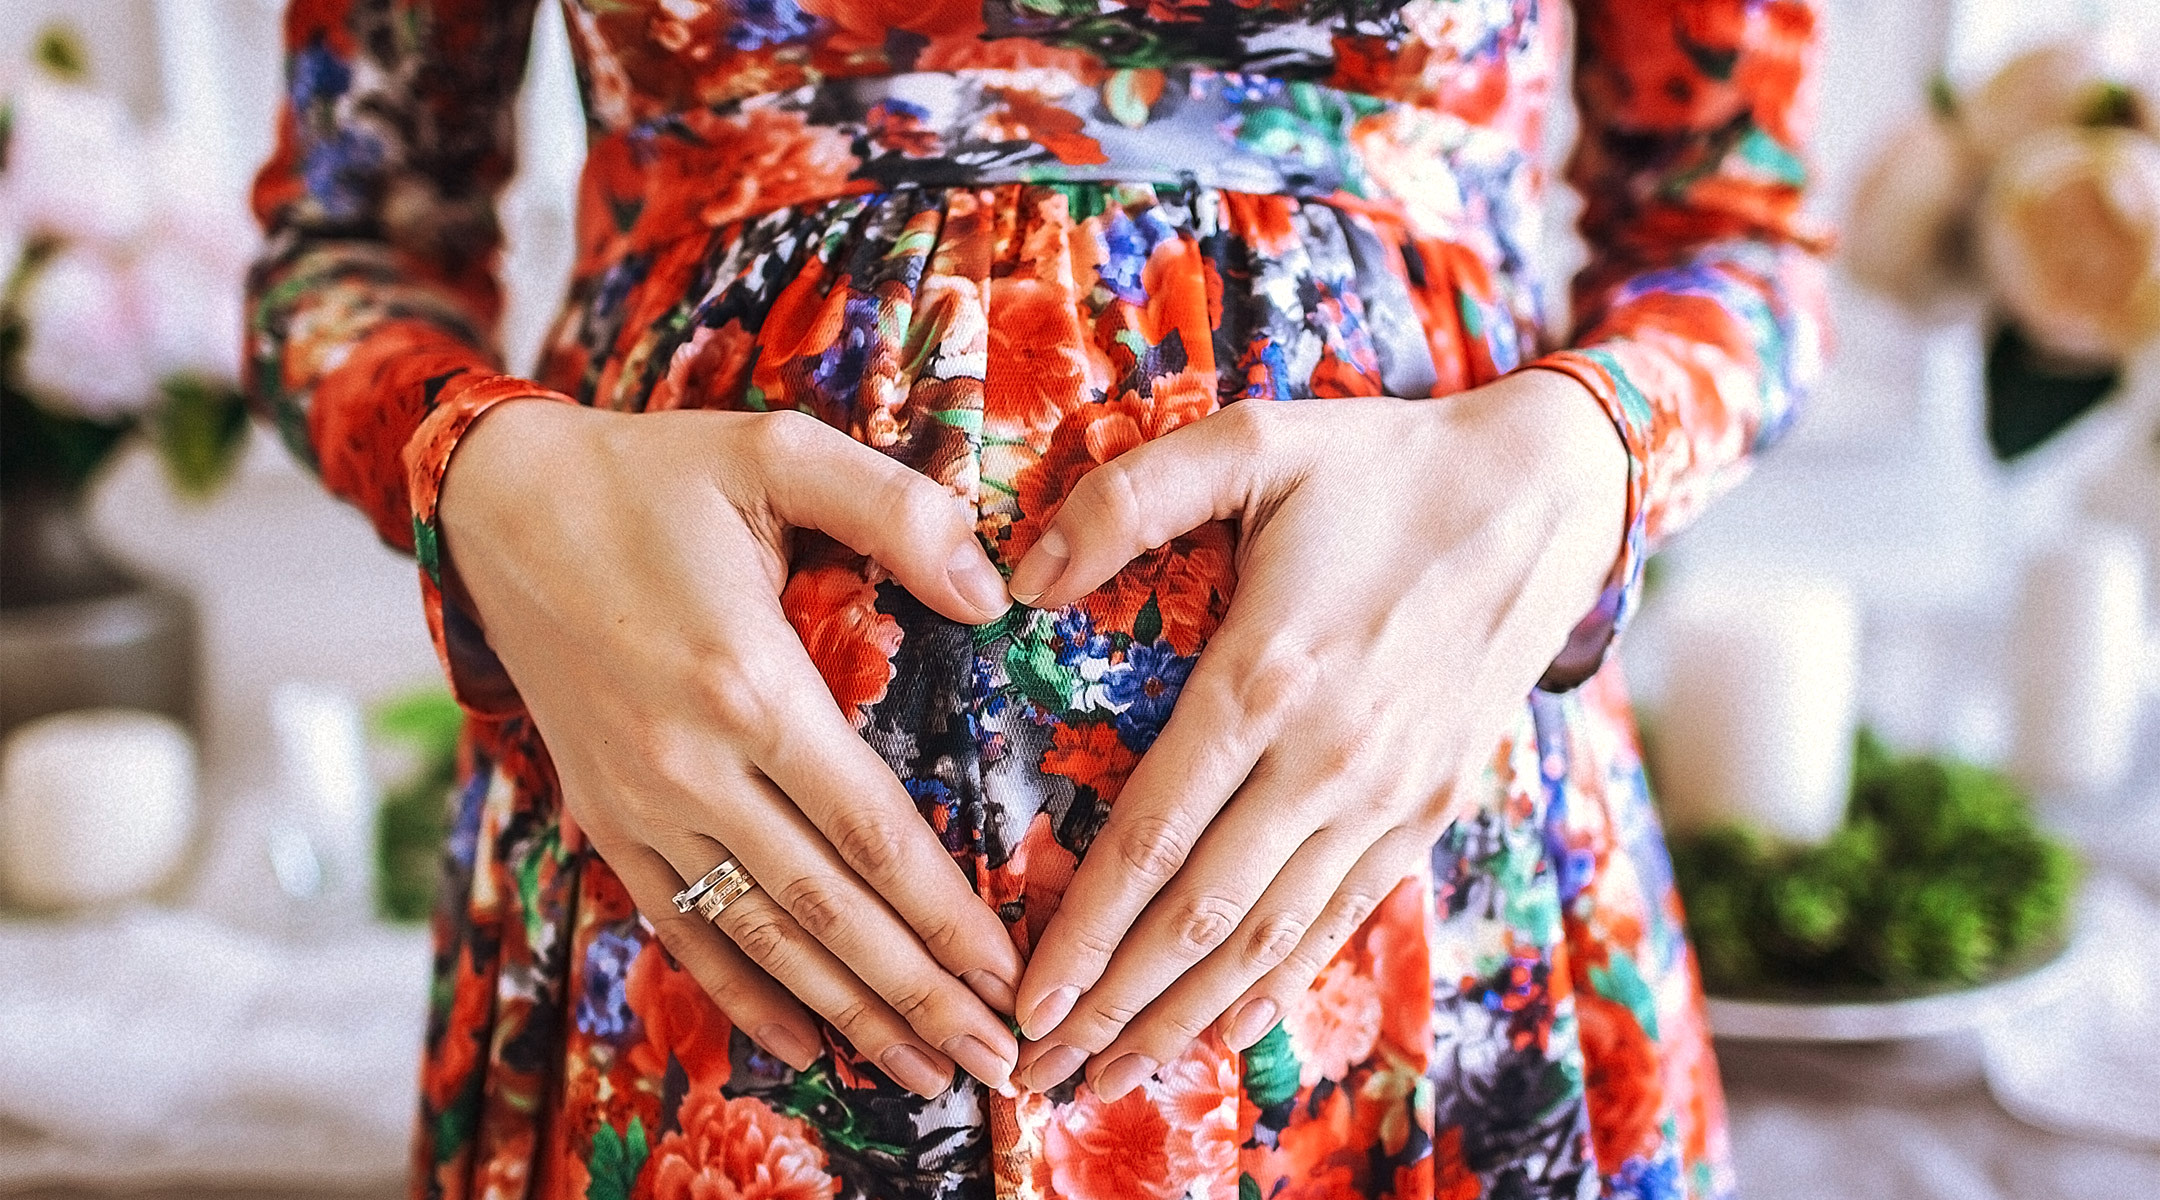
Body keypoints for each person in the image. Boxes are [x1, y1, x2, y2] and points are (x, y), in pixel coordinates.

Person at [247, 0, 1825, 1195]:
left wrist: (1581, 457)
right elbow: (348, 245)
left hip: (1412, 865)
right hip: (680, 885)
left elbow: (1732, 233)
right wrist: (482, 469)